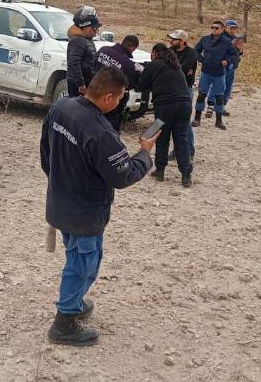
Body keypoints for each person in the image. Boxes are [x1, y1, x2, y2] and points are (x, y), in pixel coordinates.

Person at [41, 67, 159, 346]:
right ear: (108, 97)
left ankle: (75, 302)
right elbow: (124, 175)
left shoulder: (61, 107)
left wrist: (59, 179)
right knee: (83, 264)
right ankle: (64, 323)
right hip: (85, 211)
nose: (119, 102)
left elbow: (45, 151)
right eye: (119, 98)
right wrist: (145, 153)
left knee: (78, 256)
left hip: (61, 201)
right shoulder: (101, 132)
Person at [138, 43, 194, 187]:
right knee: (182, 139)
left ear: (154, 52)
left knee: (162, 137)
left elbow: (142, 85)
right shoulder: (175, 64)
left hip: (165, 105)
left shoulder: (154, 64)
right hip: (185, 104)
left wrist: (140, 72)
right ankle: (186, 175)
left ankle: (160, 170)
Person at [193, 21, 238, 130]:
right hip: (206, 72)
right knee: (201, 95)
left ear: (222, 29)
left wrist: (227, 61)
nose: (214, 29)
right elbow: (196, 50)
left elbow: (235, 54)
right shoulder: (205, 39)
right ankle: (197, 118)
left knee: (219, 97)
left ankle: (218, 121)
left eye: (217, 28)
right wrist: (202, 59)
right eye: (212, 27)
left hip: (219, 74)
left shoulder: (227, 42)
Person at [95, 35, 142, 132]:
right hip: (112, 100)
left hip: (95, 92)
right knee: (111, 128)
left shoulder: (103, 50)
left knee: (94, 122)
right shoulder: (127, 63)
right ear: (133, 48)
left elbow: (92, 65)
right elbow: (130, 84)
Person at [167, 29, 197, 160]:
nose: (170, 41)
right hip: (171, 89)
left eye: (174, 39)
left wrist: (173, 69)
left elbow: (182, 69)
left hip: (185, 90)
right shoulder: (170, 51)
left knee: (184, 122)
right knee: (172, 121)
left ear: (183, 41)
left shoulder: (191, 53)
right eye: (171, 38)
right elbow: (175, 69)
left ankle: (189, 150)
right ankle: (177, 149)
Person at [207, 19, 244, 116]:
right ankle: (210, 107)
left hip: (232, 66)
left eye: (234, 28)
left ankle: (221, 107)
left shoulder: (236, 38)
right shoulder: (219, 37)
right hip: (221, 65)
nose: (233, 30)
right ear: (225, 27)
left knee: (228, 87)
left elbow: (238, 54)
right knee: (216, 85)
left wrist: (239, 49)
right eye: (231, 27)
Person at [66, 6, 101, 97]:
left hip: (86, 82)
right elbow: (74, 62)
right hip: (79, 86)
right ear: (86, 27)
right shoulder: (78, 41)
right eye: (94, 28)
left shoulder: (86, 40)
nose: (97, 31)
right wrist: (81, 85)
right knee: (77, 110)